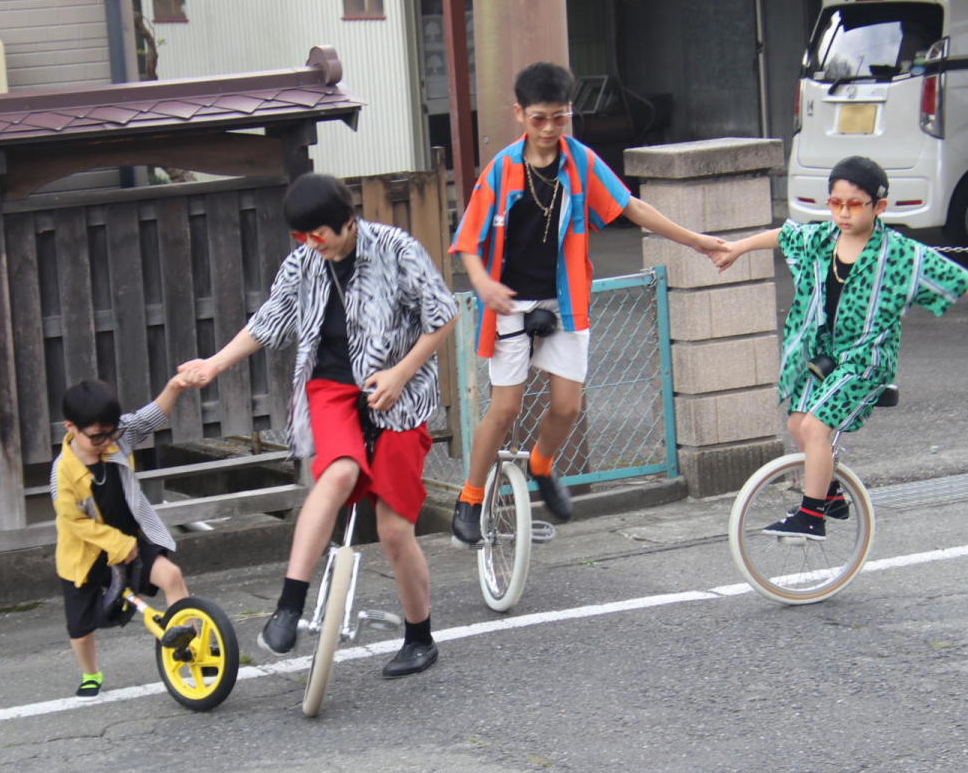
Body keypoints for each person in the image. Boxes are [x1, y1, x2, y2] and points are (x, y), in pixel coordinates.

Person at [180, 173, 457, 679]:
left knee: (395, 531)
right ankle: (288, 605)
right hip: (329, 389)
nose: (312, 245)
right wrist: (215, 364)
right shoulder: (304, 261)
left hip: (396, 393)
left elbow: (443, 314)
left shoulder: (396, 249)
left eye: (320, 234)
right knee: (339, 473)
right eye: (301, 236)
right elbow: (269, 320)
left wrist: (400, 373)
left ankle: (420, 637)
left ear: (348, 223)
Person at [448, 61, 728, 546]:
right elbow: (469, 239)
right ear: (520, 115)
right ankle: (471, 496)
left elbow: (630, 206)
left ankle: (540, 463)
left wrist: (695, 241)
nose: (550, 128)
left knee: (567, 407)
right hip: (509, 300)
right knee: (504, 408)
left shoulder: (580, 161)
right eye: (539, 118)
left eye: (560, 117)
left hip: (565, 301)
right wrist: (482, 285)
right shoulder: (502, 169)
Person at [713, 155, 968, 539]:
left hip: (867, 362)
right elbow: (785, 235)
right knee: (797, 423)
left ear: (879, 206)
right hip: (828, 356)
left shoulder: (896, 253)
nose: (843, 213)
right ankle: (830, 495)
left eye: (854, 204)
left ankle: (811, 515)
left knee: (816, 426)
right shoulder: (823, 240)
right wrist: (737, 248)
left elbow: (952, 275)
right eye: (835, 203)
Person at [52, 375, 198, 698]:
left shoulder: (118, 437)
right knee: (80, 628)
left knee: (171, 575)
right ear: (71, 428)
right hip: (85, 554)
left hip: (130, 538)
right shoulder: (63, 471)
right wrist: (118, 545)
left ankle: (195, 650)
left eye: (112, 432)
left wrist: (173, 386)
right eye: (97, 437)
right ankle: (91, 674)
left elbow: (151, 416)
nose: (107, 442)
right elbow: (74, 522)